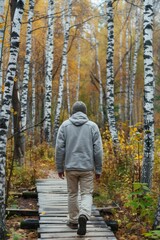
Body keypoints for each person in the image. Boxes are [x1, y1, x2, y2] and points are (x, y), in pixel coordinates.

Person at [55, 101, 103, 236]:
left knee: (72, 194)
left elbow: (59, 148)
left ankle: (74, 221)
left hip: (70, 167)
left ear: (73, 112)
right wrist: (98, 169)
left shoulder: (64, 126)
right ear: (85, 112)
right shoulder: (92, 126)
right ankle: (84, 214)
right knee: (86, 193)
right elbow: (98, 150)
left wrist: (60, 167)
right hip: (87, 168)